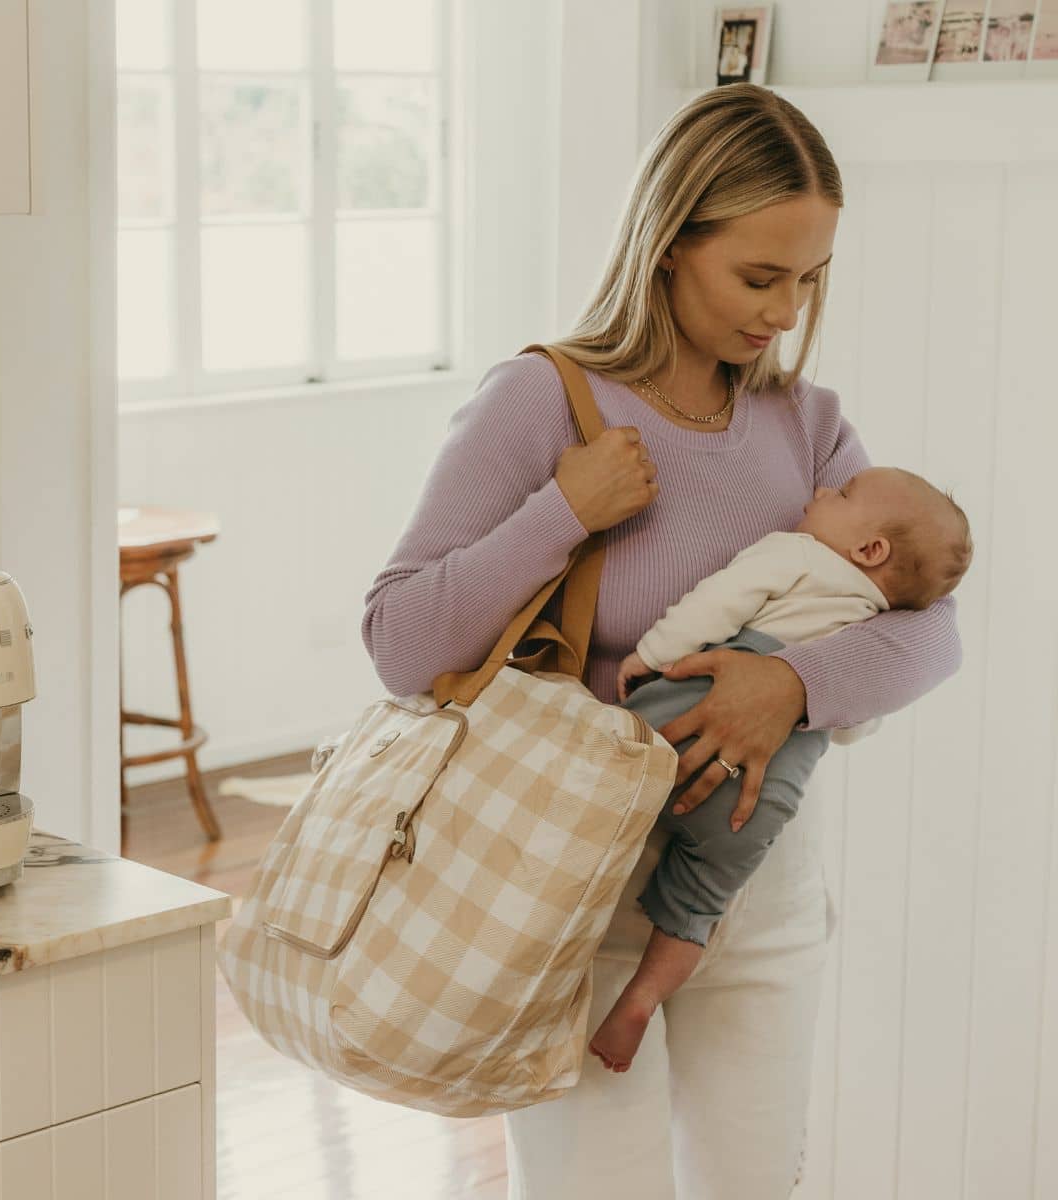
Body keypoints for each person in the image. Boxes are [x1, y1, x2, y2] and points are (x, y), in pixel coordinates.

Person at [360, 83, 962, 1199]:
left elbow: (932, 637)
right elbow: (400, 639)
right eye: (758, 276)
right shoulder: (543, 401)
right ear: (670, 244)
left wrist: (787, 685)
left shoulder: (806, 423)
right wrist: (561, 515)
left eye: (809, 280)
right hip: (575, 899)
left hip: (758, 896)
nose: (784, 312)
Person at [587, 466, 973, 1072]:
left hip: (682, 719)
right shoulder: (876, 624)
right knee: (701, 898)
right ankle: (641, 998)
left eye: (841, 496)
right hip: (762, 794)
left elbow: (717, 602)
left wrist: (652, 654)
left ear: (870, 548)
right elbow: (851, 725)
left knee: (588, 795)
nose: (821, 492)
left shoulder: (797, 553)